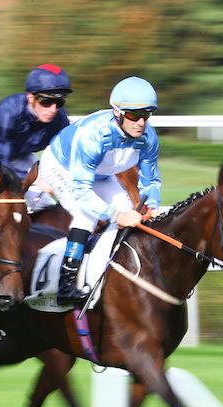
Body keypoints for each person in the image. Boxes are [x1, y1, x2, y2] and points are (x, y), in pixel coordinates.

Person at [38, 76, 162, 305]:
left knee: (129, 212)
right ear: (117, 113)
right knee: (86, 215)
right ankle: (66, 285)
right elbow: (82, 191)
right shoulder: (93, 135)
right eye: (134, 115)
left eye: (146, 115)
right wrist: (115, 215)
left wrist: (152, 205)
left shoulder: (148, 138)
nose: (141, 123)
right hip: (63, 169)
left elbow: (151, 180)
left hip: (101, 175)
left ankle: (107, 272)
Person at [0, 63, 72, 212]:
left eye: (59, 102)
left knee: (46, 205)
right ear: (31, 98)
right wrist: (35, 179)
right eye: (46, 102)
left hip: (21, 154)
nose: (53, 109)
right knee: (0, 205)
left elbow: (66, 155)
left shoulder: (60, 118)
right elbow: (0, 163)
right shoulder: (7, 111)